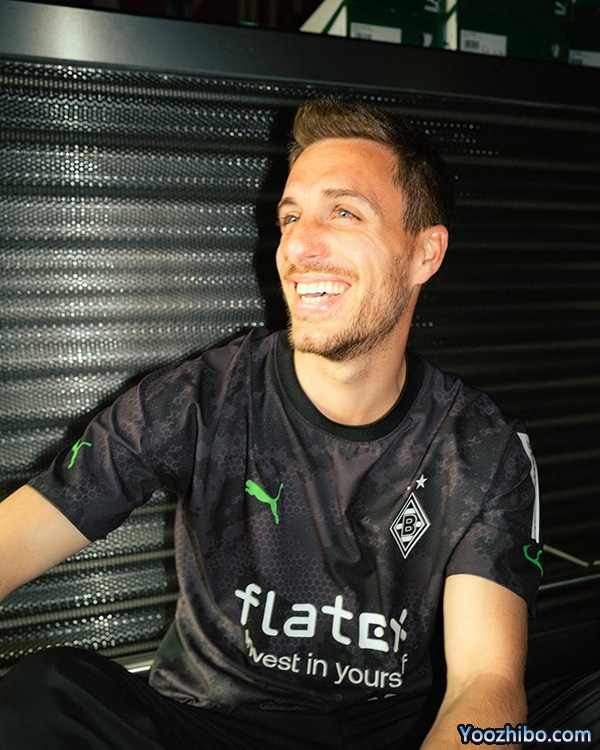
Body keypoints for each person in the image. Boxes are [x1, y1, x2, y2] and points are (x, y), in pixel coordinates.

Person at [0, 98, 543, 749]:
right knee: (45, 694)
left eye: (344, 213)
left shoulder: (479, 447)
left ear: (425, 253)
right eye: (290, 217)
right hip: (211, 727)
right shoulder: (200, 399)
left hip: (395, 736)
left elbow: (485, 680)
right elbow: (15, 539)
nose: (299, 247)